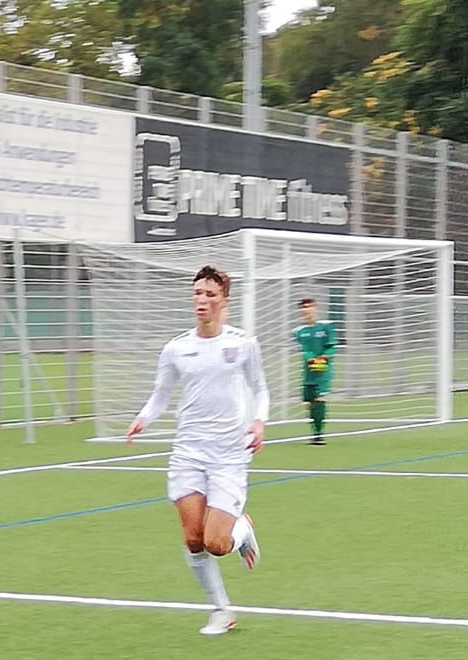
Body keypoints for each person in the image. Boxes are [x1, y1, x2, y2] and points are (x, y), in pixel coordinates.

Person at [125, 265, 266, 637]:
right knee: (192, 539)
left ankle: (241, 528)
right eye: (197, 294)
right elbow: (161, 394)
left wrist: (260, 422)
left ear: (224, 302)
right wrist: (143, 418)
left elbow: (261, 388)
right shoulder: (176, 349)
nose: (201, 301)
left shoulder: (243, 344)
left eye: (210, 295)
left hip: (229, 455)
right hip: (188, 451)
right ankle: (222, 610)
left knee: (216, 543)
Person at [293, 295, 338, 444]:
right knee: (311, 401)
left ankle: (319, 434)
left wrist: (324, 357)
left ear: (315, 308)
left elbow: (332, 346)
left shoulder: (326, 327)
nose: (307, 310)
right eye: (304, 308)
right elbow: (304, 349)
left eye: (309, 307)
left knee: (319, 399)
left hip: (323, 371)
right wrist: (311, 358)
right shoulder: (299, 331)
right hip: (308, 371)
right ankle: (315, 431)